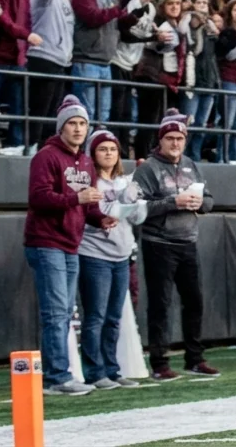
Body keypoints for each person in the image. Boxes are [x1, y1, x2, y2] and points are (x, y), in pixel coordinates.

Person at [134, 110, 219, 379]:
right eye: (170, 138)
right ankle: (159, 363)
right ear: (161, 140)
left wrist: (200, 204)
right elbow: (138, 208)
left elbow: (209, 199)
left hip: (187, 241)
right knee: (161, 304)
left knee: (194, 301)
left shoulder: (191, 165)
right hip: (158, 243)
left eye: (179, 138)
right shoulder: (147, 168)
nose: (175, 143)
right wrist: (173, 203)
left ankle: (194, 358)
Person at [24, 95, 99, 396]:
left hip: (71, 243)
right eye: (72, 123)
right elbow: (38, 198)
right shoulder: (46, 156)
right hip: (46, 241)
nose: (79, 129)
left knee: (65, 312)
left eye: (82, 123)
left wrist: (103, 219)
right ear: (61, 127)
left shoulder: (86, 161)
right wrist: (76, 199)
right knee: (56, 312)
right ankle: (56, 376)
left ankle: (55, 374)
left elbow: (86, 207)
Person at [78, 130, 145, 389]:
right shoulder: (88, 182)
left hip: (121, 255)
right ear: (93, 154)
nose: (108, 153)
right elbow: (93, 216)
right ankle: (95, 372)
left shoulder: (123, 182)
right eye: (102, 149)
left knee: (114, 317)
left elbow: (138, 219)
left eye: (113, 149)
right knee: (95, 315)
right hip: (94, 254)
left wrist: (136, 200)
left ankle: (112, 369)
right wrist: (119, 201)